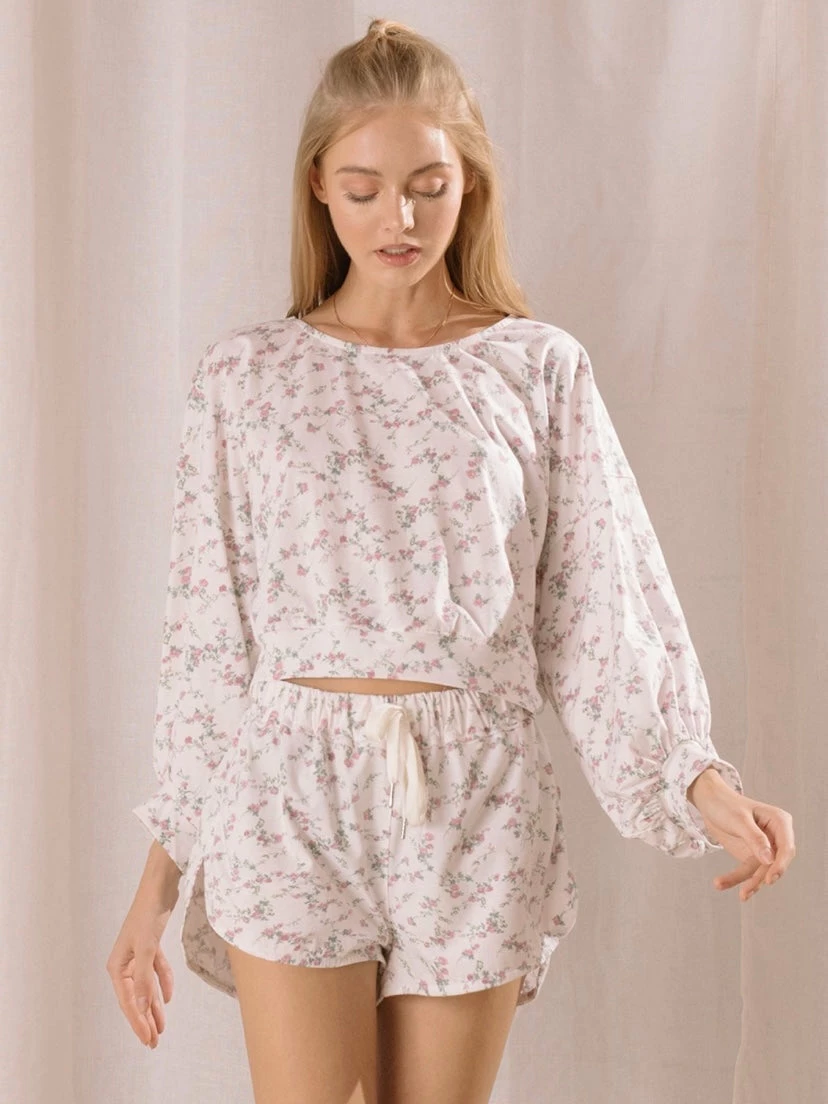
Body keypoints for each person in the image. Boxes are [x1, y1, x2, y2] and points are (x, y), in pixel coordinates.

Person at [106, 17, 796, 1104]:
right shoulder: (247, 377)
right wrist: (156, 887)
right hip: (291, 795)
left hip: (478, 798)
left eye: (429, 186)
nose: (400, 218)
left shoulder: (536, 369)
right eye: (366, 188)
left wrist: (695, 779)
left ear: (468, 184)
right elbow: (207, 642)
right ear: (319, 188)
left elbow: (597, 609)